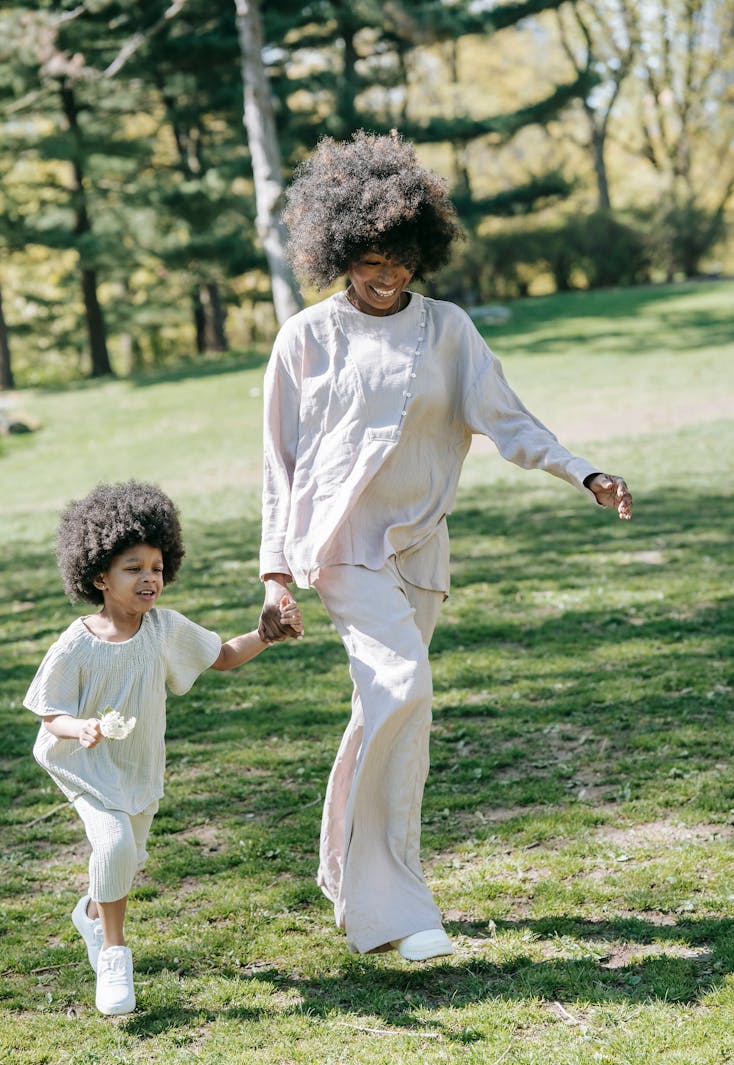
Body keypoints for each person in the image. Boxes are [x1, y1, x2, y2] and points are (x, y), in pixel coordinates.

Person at [257, 130, 632, 963]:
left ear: (422, 252)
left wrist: (584, 471)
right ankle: (394, 909)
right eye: (366, 257)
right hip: (341, 548)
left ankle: (341, 871)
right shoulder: (305, 339)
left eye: (398, 258)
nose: (382, 274)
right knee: (402, 687)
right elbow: (278, 464)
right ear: (339, 251)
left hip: (421, 551)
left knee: (379, 712)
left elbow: (507, 419)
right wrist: (275, 572)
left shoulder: (450, 330)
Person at [24, 480, 302, 1016]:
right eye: (133, 568)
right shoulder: (77, 643)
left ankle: (91, 911)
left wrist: (266, 634)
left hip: (139, 766)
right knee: (112, 847)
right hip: (84, 765)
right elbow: (48, 711)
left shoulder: (164, 629)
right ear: (100, 576)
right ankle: (113, 953)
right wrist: (78, 728)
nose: (148, 577)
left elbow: (221, 655)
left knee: (130, 857)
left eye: (155, 567)